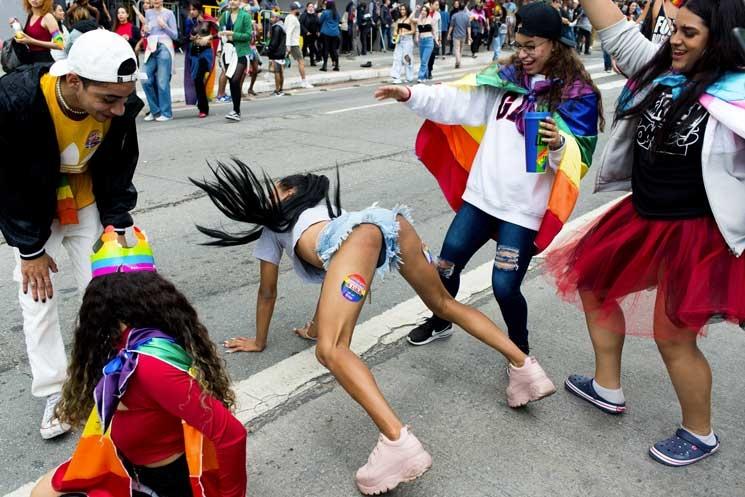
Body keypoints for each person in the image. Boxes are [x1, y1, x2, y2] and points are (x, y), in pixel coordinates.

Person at [192, 160, 556, 495]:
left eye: (277, 188)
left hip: (360, 237)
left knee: (332, 350)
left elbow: (268, 292)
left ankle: (398, 443)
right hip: (389, 222)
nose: (271, 193)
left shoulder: (275, 229)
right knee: (444, 304)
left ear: (290, 193)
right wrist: (316, 325)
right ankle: (526, 369)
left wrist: (259, 340)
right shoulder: (321, 212)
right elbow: (336, 279)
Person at [545, 0, 745, 468]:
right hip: (641, 219)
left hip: (696, 234)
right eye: (674, 28)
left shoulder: (738, 96)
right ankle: (606, 387)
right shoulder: (659, 70)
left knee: (673, 337)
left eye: (689, 34)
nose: (674, 39)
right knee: (593, 285)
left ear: (718, 40)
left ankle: (700, 433)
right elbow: (613, 27)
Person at [379, 2, 603, 357]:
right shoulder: (505, 79)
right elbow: (456, 100)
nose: (523, 54)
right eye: (519, 44)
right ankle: (441, 319)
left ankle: (520, 349)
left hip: (522, 211)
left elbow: (581, 155)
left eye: (532, 46)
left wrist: (559, 144)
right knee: (445, 266)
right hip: (481, 199)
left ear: (555, 44)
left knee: (504, 287)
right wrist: (410, 94)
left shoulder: (578, 96)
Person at [29, 228, 247, 496]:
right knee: (44, 491)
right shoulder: (114, 348)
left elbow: (231, 435)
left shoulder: (150, 364)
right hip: (123, 463)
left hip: (165, 482)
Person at [0, 29, 142, 441]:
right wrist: (29, 249)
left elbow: (120, 162)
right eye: (108, 100)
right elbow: (4, 183)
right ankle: (55, 392)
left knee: (104, 292)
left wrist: (119, 218)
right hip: (31, 211)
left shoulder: (121, 103)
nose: (119, 109)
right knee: (36, 298)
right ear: (73, 81)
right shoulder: (16, 101)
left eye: (123, 98)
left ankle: (107, 375)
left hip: (83, 202)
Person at [137, 0, 179, 122]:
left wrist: (164, 26)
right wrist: (144, 31)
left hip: (164, 47)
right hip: (151, 47)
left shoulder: (169, 13)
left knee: (162, 81)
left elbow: (175, 35)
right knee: (144, 78)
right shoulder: (148, 13)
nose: (155, 1)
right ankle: (155, 111)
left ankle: (166, 113)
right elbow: (147, 33)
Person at [218, 0, 253, 120]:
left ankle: (236, 111)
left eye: (236, 0)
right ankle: (235, 110)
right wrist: (221, 37)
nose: (233, 2)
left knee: (235, 80)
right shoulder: (225, 15)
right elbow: (220, 31)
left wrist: (233, 34)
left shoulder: (245, 16)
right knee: (232, 81)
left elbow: (248, 36)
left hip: (241, 52)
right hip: (228, 52)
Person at [185, 0, 219, 118]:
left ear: (199, 10)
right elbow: (186, 38)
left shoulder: (208, 20)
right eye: (190, 10)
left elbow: (219, 33)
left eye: (193, 9)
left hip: (205, 53)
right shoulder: (190, 22)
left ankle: (204, 108)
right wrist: (192, 38)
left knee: (199, 78)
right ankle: (202, 107)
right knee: (197, 81)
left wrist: (209, 37)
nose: (191, 12)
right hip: (194, 54)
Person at [10, 0, 65, 65]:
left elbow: (60, 44)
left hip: (44, 63)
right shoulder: (31, 15)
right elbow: (30, 36)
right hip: (30, 61)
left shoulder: (48, 17)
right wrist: (17, 26)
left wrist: (31, 41)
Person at [286, 1, 314, 88]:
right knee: (301, 62)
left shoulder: (288, 17)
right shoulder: (293, 19)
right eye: (298, 9)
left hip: (292, 43)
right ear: (295, 9)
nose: (300, 11)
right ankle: (304, 81)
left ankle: (273, 76)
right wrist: (288, 46)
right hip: (293, 44)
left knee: (283, 62)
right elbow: (289, 32)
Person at [390, 2, 415, 83]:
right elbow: (395, 30)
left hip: (408, 40)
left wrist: (405, 33)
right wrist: (395, 34)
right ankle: (396, 77)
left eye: (404, 9)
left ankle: (409, 77)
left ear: (407, 10)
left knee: (407, 59)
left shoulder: (410, 19)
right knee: (397, 58)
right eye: (401, 9)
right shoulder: (399, 20)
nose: (402, 11)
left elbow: (413, 31)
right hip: (399, 41)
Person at [266, 10, 287, 96]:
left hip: (276, 53)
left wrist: (268, 50)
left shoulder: (276, 28)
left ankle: (277, 90)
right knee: (281, 72)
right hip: (281, 52)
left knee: (277, 72)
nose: (270, 19)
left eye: (272, 17)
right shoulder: (281, 26)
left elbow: (274, 43)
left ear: (277, 18)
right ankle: (281, 89)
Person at [415, 4, 435, 82]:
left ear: (427, 12)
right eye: (422, 10)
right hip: (421, 42)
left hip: (429, 41)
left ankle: (420, 77)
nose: (423, 12)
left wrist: (436, 39)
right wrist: (416, 37)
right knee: (423, 60)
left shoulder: (430, 19)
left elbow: (433, 30)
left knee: (424, 60)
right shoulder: (419, 20)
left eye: (424, 10)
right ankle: (425, 76)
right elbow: (417, 30)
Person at [319, 0, 340, 71]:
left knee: (326, 49)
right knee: (334, 49)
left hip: (326, 33)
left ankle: (324, 66)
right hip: (335, 33)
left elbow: (320, 21)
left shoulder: (325, 12)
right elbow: (338, 21)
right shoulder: (337, 13)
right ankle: (336, 66)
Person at [448, 2, 470, 68]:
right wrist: (469, 36)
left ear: (458, 7)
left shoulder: (454, 16)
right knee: (461, 49)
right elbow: (468, 27)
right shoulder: (467, 16)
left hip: (456, 35)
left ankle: (458, 61)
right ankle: (458, 62)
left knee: (457, 49)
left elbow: (451, 26)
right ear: (463, 8)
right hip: (463, 35)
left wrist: (449, 34)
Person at [426, 0, 441, 79]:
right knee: (425, 56)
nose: (437, 6)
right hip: (425, 36)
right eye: (436, 4)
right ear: (431, 5)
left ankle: (429, 70)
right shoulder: (425, 12)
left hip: (434, 37)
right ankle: (425, 71)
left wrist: (439, 39)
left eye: (438, 5)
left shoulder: (438, 14)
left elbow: (439, 27)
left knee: (432, 56)